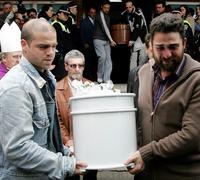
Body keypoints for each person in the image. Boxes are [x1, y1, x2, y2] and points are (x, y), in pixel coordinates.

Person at [0, 19, 87, 180]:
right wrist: (65, 164)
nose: (50, 52)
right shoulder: (16, 87)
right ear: (24, 45)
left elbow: (46, 138)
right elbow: (18, 148)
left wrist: (68, 152)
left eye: (53, 46)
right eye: (43, 47)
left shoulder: (48, 78)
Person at [125, 13, 200, 180]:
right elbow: (140, 119)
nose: (166, 54)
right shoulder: (144, 72)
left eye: (173, 47)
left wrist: (145, 153)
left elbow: (191, 136)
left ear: (185, 44)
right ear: (150, 46)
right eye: (160, 48)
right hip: (146, 173)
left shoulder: (196, 79)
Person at [56, 50, 97, 180]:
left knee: (90, 176)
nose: (77, 69)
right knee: (71, 177)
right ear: (66, 66)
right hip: (68, 144)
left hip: (90, 142)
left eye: (80, 65)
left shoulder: (93, 86)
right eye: (73, 66)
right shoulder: (57, 89)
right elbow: (57, 119)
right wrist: (67, 141)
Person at [93, 0, 116, 84]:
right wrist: (111, 40)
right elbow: (105, 28)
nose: (107, 9)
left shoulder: (107, 16)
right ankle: (99, 76)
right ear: (101, 7)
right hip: (98, 39)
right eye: (105, 7)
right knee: (102, 57)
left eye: (108, 8)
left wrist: (109, 40)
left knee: (108, 60)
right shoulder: (100, 15)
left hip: (106, 40)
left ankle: (106, 78)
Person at [121, 0, 148, 71]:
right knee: (133, 58)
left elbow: (137, 28)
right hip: (133, 39)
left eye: (130, 7)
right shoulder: (125, 14)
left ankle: (141, 76)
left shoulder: (138, 14)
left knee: (142, 58)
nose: (128, 9)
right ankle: (132, 77)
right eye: (127, 7)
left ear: (133, 6)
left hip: (142, 38)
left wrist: (132, 40)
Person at [80, 6, 97, 81]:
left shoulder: (96, 21)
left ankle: (93, 78)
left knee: (94, 62)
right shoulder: (84, 21)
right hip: (87, 45)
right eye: (91, 12)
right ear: (88, 13)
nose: (93, 14)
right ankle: (88, 78)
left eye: (94, 13)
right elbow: (81, 33)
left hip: (95, 45)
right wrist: (84, 43)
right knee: (88, 63)